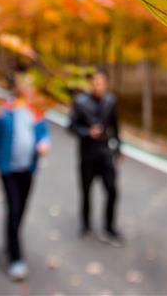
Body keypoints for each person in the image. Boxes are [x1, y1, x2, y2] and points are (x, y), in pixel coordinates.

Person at [0, 79, 51, 282]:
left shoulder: (35, 110)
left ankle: (10, 240)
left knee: (20, 210)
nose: (29, 89)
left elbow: (43, 133)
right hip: (8, 170)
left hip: (28, 169)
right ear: (17, 87)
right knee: (13, 209)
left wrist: (44, 143)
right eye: (25, 85)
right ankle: (16, 258)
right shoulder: (4, 109)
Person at [69, 68, 123, 245]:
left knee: (112, 191)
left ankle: (109, 227)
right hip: (87, 154)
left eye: (101, 82)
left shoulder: (110, 101)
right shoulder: (80, 102)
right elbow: (71, 126)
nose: (98, 86)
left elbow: (115, 126)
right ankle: (85, 224)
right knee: (86, 191)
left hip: (105, 153)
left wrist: (118, 149)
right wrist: (87, 132)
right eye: (95, 82)